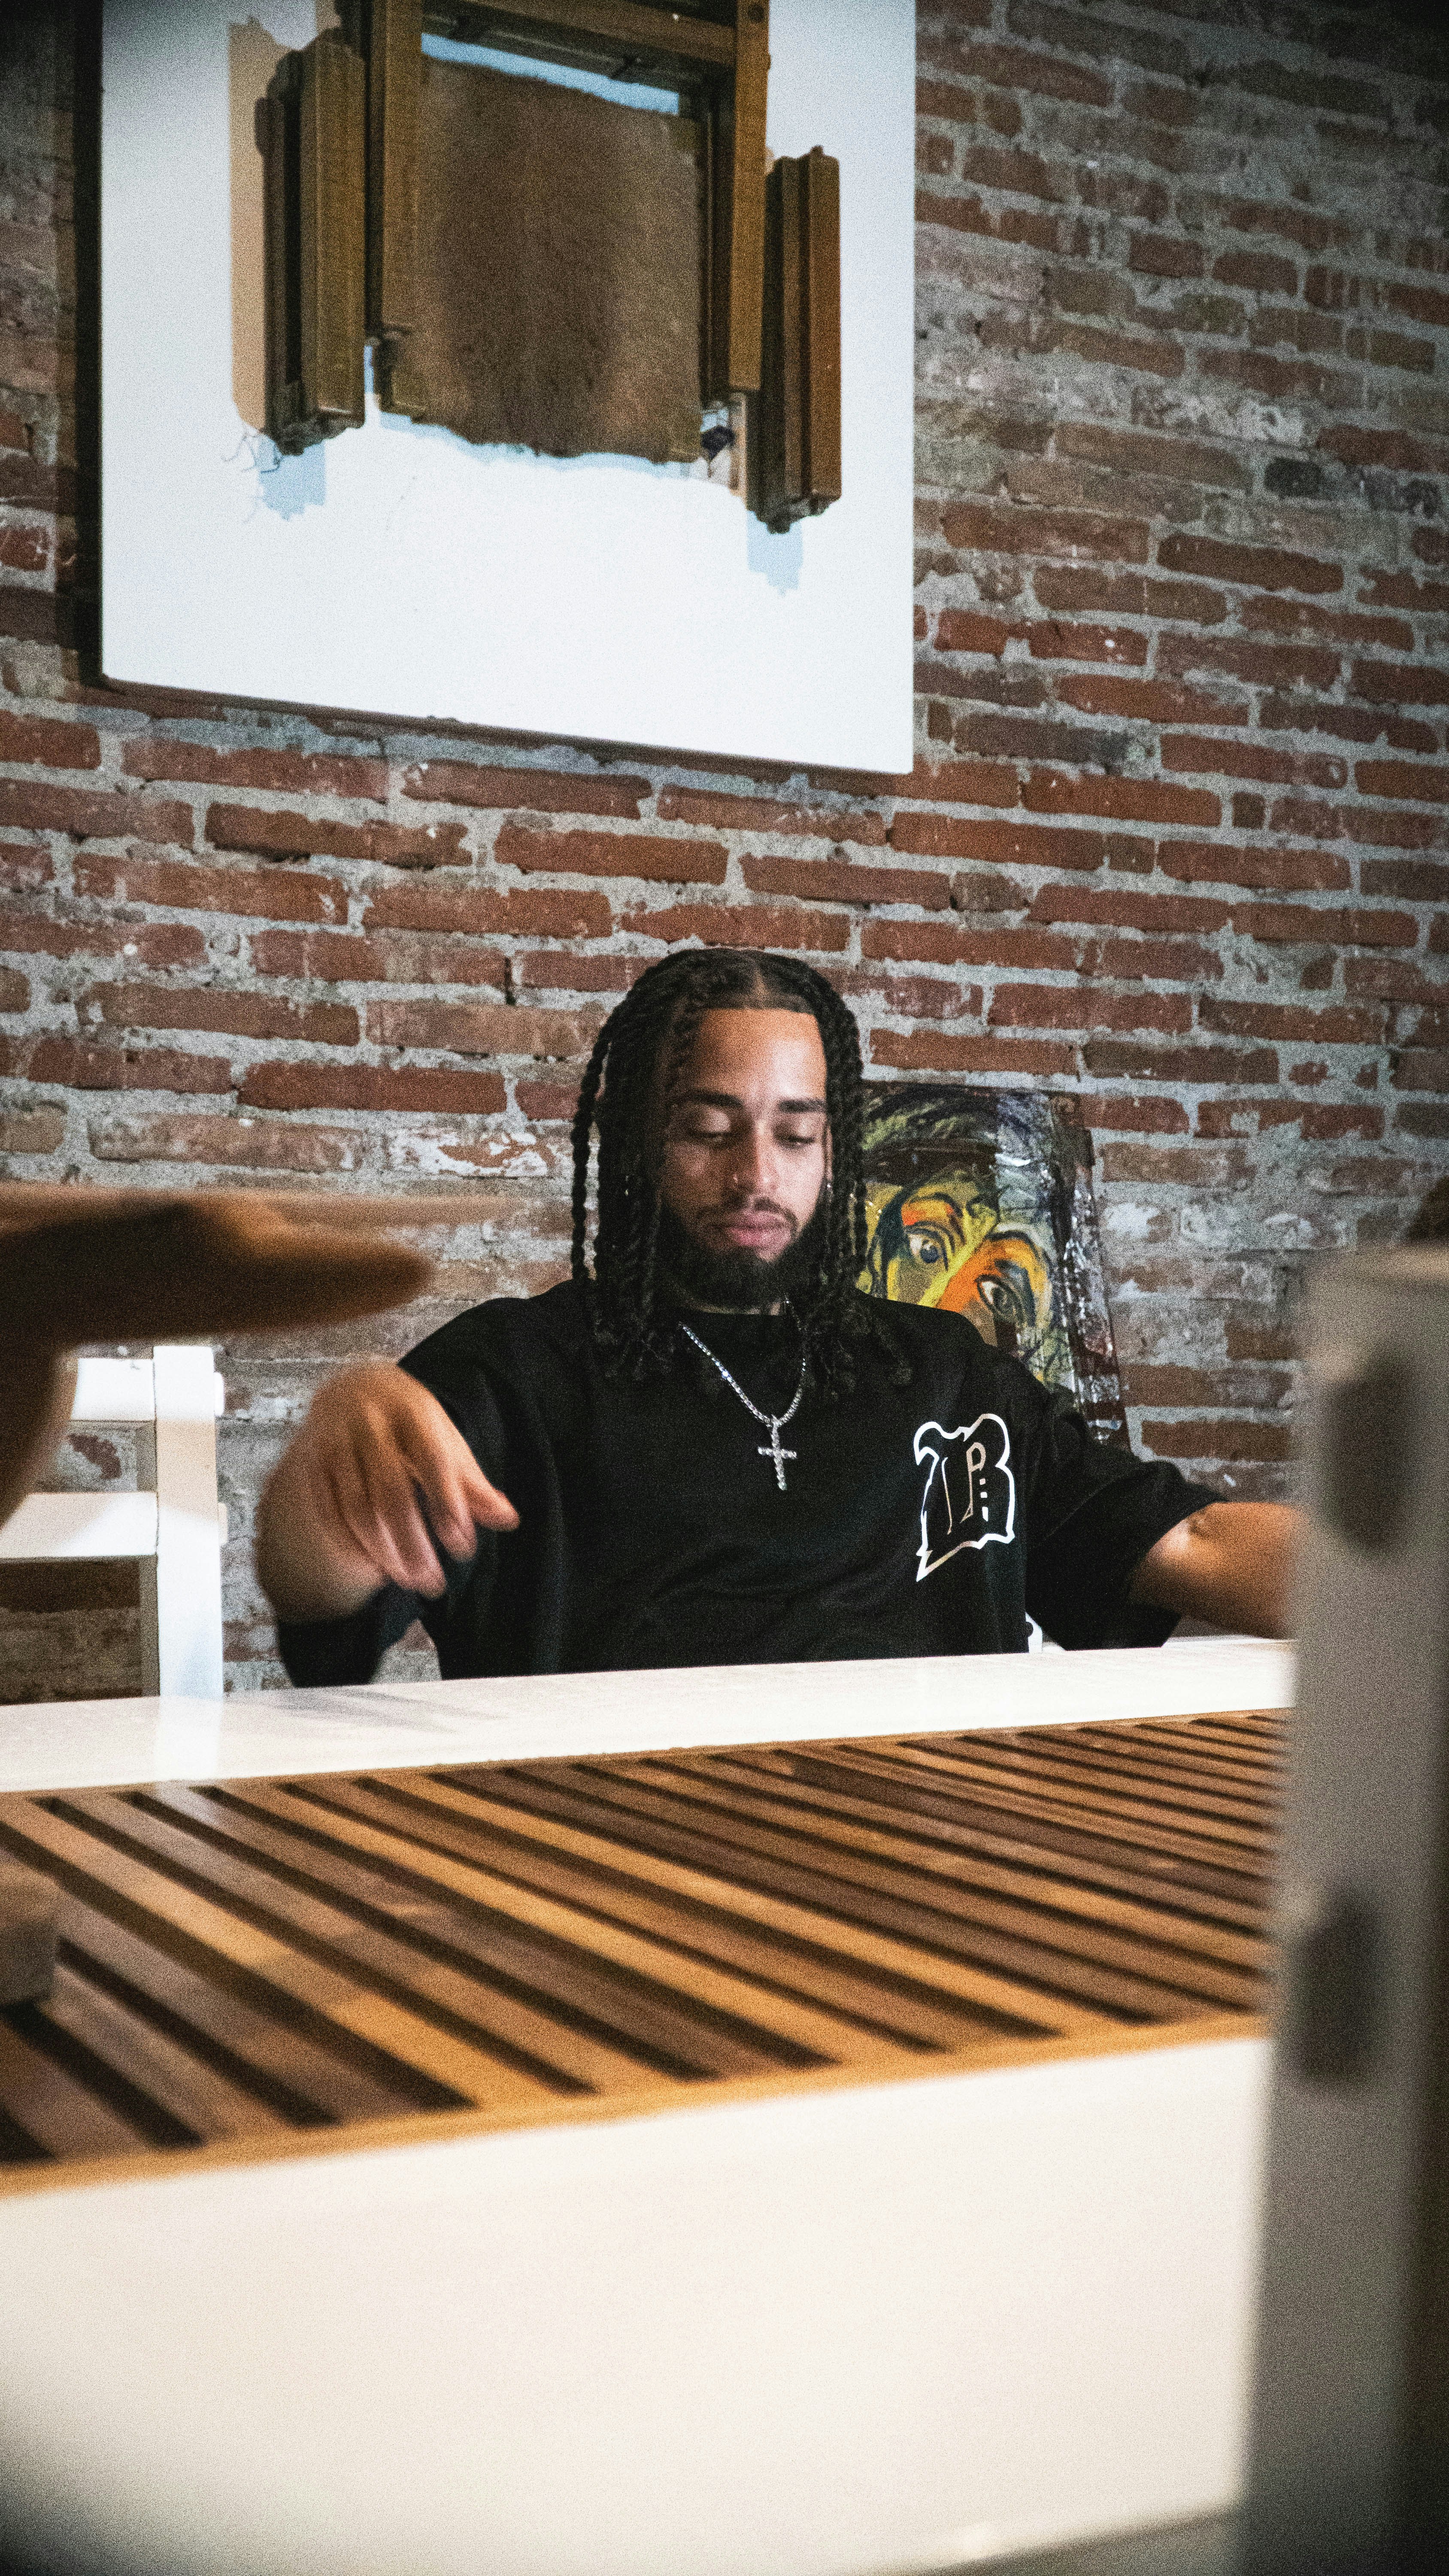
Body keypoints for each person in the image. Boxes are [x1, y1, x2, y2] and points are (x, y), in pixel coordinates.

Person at [258, 948, 1297, 1682]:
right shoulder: (513, 1373)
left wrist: (1383, 1580)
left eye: (796, 1136)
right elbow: (322, 1600)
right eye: (708, 1129)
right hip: (603, 1862)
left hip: (927, 1861)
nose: (756, 1174)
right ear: (636, 1146)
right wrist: (331, 1442)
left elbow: (1194, 1543)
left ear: (831, 1154)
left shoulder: (944, 1374)